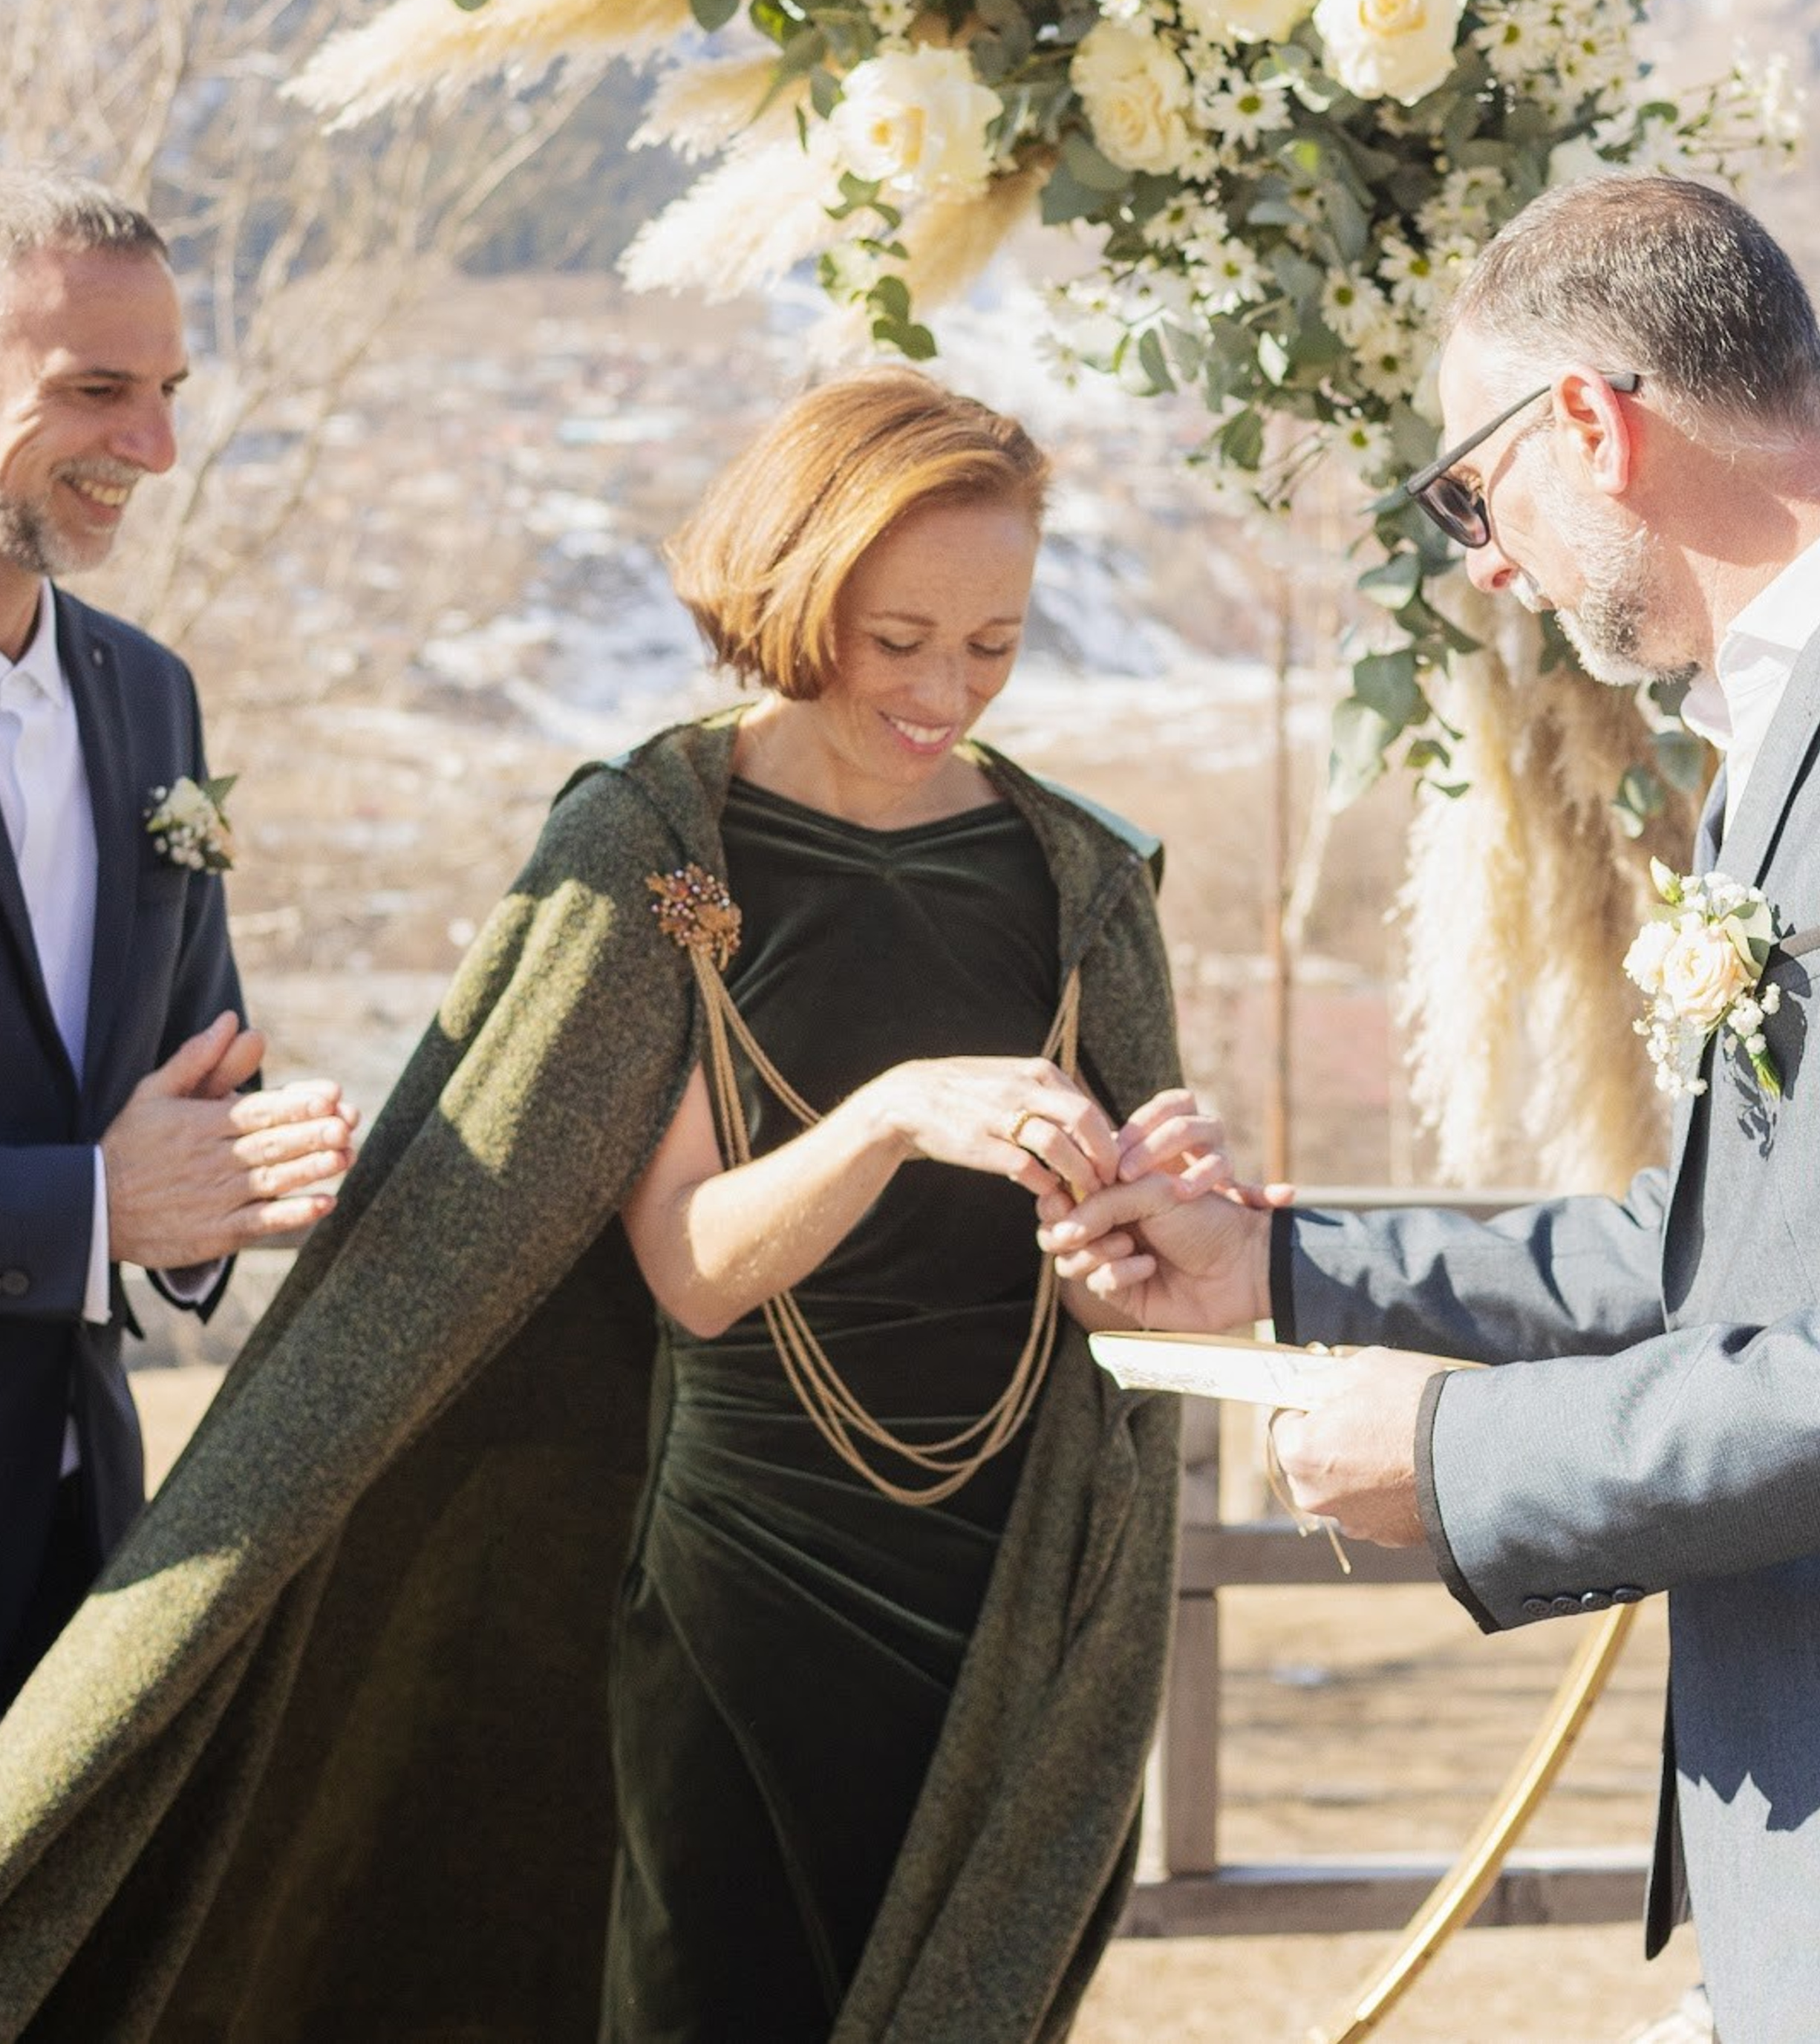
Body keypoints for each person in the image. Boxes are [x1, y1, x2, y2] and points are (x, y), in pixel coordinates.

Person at [0, 366, 1227, 2044]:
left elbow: (1119, 1303)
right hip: (746, 1592)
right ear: (796, 595)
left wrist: (1152, 1225)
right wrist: (884, 1118)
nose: (946, 689)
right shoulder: (661, 839)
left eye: (993, 643)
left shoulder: (1078, 876)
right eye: (897, 639)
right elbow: (691, 1270)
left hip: (1003, 1583)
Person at [1040, 172, 1820, 2044]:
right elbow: (1705, 1256)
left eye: (1466, 489)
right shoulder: (1783, 724)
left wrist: (1460, 1469)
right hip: (1812, 1867)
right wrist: (1274, 1274)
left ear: (1590, 424)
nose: (1480, 557)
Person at [0, 174, 357, 1715]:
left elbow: (187, 1085)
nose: (151, 449)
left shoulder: (148, 696)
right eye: (95, 393)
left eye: (165, 395)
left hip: (88, 1544)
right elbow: (108, 1187)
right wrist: (86, 1204)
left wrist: (251, 1171)